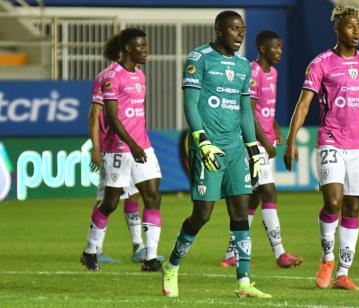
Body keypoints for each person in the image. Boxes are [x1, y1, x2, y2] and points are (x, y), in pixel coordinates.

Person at [284, 6, 359, 291]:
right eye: (350, 26)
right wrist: (291, 140)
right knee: (334, 202)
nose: (356, 31)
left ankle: (343, 273)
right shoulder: (321, 64)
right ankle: (327, 259)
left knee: (353, 207)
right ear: (337, 29)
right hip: (331, 141)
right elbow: (304, 104)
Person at [161, 11, 271, 299]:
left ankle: (244, 282)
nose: (240, 34)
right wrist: (201, 140)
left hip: (235, 149)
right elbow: (191, 104)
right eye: (234, 29)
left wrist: (252, 148)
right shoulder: (199, 59)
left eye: (243, 29)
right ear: (220, 30)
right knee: (203, 214)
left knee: (240, 213)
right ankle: (171, 266)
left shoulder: (244, 67)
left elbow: (245, 110)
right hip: (208, 147)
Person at [80, 28, 163, 272]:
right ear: (128, 48)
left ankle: (150, 257)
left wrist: (140, 143)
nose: (146, 50)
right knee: (110, 203)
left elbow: (136, 114)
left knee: (153, 196)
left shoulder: (141, 76)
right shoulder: (110, 77)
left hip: (142, 146)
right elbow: (112, 118)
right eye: (141, 46)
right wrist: (103, 147)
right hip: (118, 149)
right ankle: (90, 250)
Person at [220, 30, 303, 269]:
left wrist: (276, 129)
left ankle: (230, 253)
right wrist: (265, 143)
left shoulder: (273, 73)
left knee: (254, 198)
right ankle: (280, 253)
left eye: (281, 47)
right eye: (275, 47)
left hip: (263, 139)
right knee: (269, 192)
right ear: (263, 49)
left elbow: (266, 109)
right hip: (251, 142)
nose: (280, 51)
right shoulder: (253, 72)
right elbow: (247, 111)